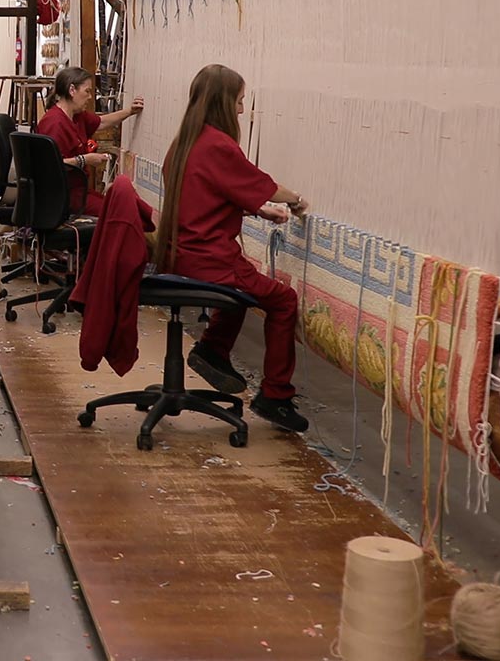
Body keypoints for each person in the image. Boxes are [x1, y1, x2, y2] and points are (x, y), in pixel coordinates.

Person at [150, 63, 312, 433]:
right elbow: (263, 184)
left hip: (177, 255)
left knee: (243, 285)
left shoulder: (182, 143)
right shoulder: (218, 145)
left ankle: (213, 350)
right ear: (223, 103)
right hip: (208, 260)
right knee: (282, 300)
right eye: (239, 101)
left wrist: (259, 210)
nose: (241, 110)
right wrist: (296, 200)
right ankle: (276, 396)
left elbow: (206, 194)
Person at [33, 66, 144, 218]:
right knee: (122, 213)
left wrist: (130, 111)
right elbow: (51, 166)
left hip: (78, 192)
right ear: (72, 90)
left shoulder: (76, 116)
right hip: (63, 197)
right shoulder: (54, 123)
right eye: (87, 91)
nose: (90, 97)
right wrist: (85, 159)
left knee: (127, 206)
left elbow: (102, 122)